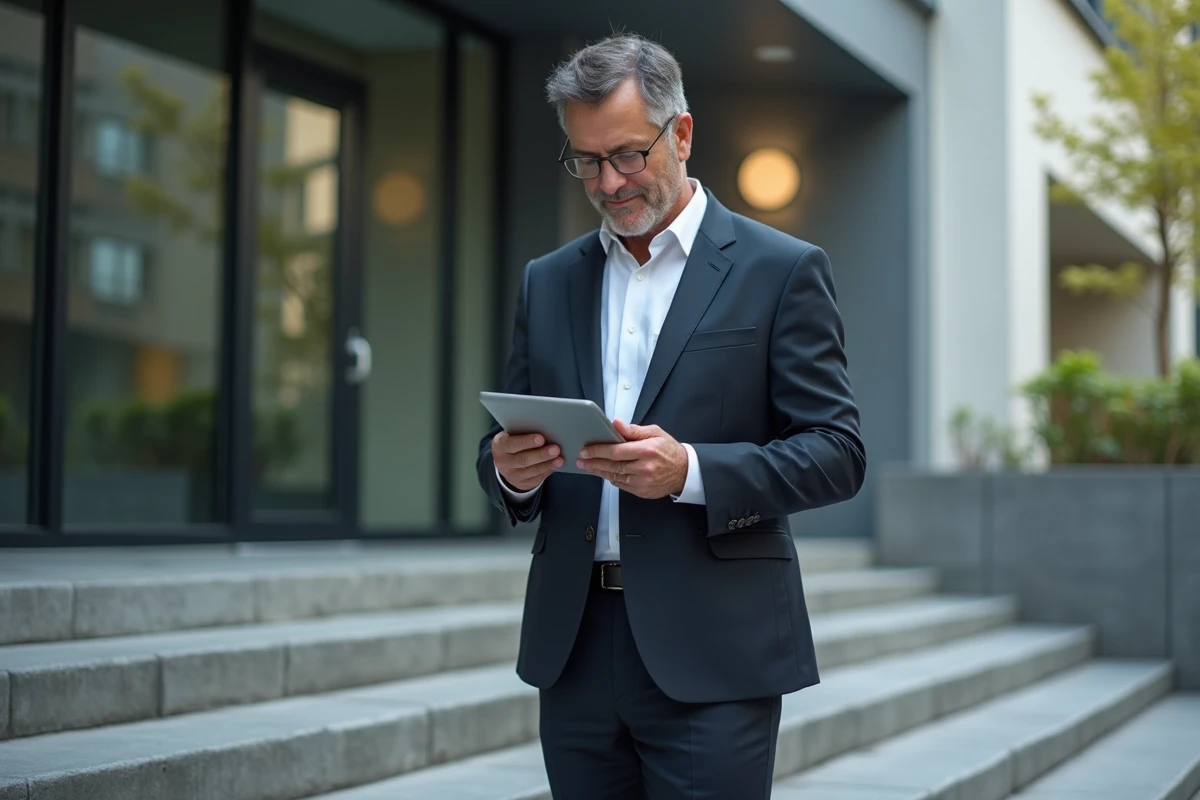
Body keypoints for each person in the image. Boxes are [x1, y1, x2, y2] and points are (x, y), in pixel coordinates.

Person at [475, 32, 866, 800]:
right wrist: (505, 470)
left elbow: (837, 451)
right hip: (575, 649)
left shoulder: (782, 270)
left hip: (717, 652)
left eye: (626, 155)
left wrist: (692, 472)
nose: (608, 182)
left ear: (680, 132)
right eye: (585, 161)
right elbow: (506, 441)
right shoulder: (546, 282)